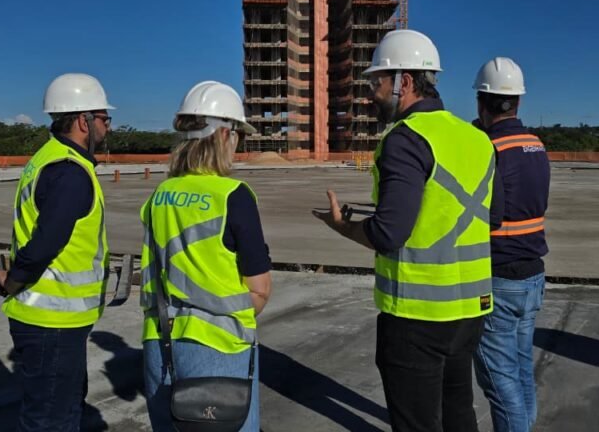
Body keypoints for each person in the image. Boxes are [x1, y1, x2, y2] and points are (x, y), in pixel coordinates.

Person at [313, 29, 503, 432]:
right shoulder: (478, 139)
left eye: (377, 82)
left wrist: (342, 226)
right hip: (470, 312)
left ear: (405, 81)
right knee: (458, 412)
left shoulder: (404, 140)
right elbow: (495, 216)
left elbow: (388, 234)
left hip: (417, 317)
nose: (371, 93)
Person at [140, 80, 272, 432]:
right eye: (238, 136)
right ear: (224, 134)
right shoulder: (233, 195)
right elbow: (259, 291)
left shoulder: (160, 195)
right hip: (218, 350)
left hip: (160, 342)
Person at [0, 72, 113, 432]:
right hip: (53, 321)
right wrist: (14, 280)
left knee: (58, 412)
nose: (108, 126)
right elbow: (46, 242)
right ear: (83, 121)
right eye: (104, 118)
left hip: (49, 319)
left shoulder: (48, 158)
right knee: (52, 421)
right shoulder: (69, 173)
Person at [471, 57, 550, 432]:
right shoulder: (536, 145)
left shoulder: (487, 149)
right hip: (532, 275)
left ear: (481, 101)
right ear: (517, 100)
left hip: (500, 276)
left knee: (500, 384)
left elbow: (487, 213)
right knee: (520, 371)